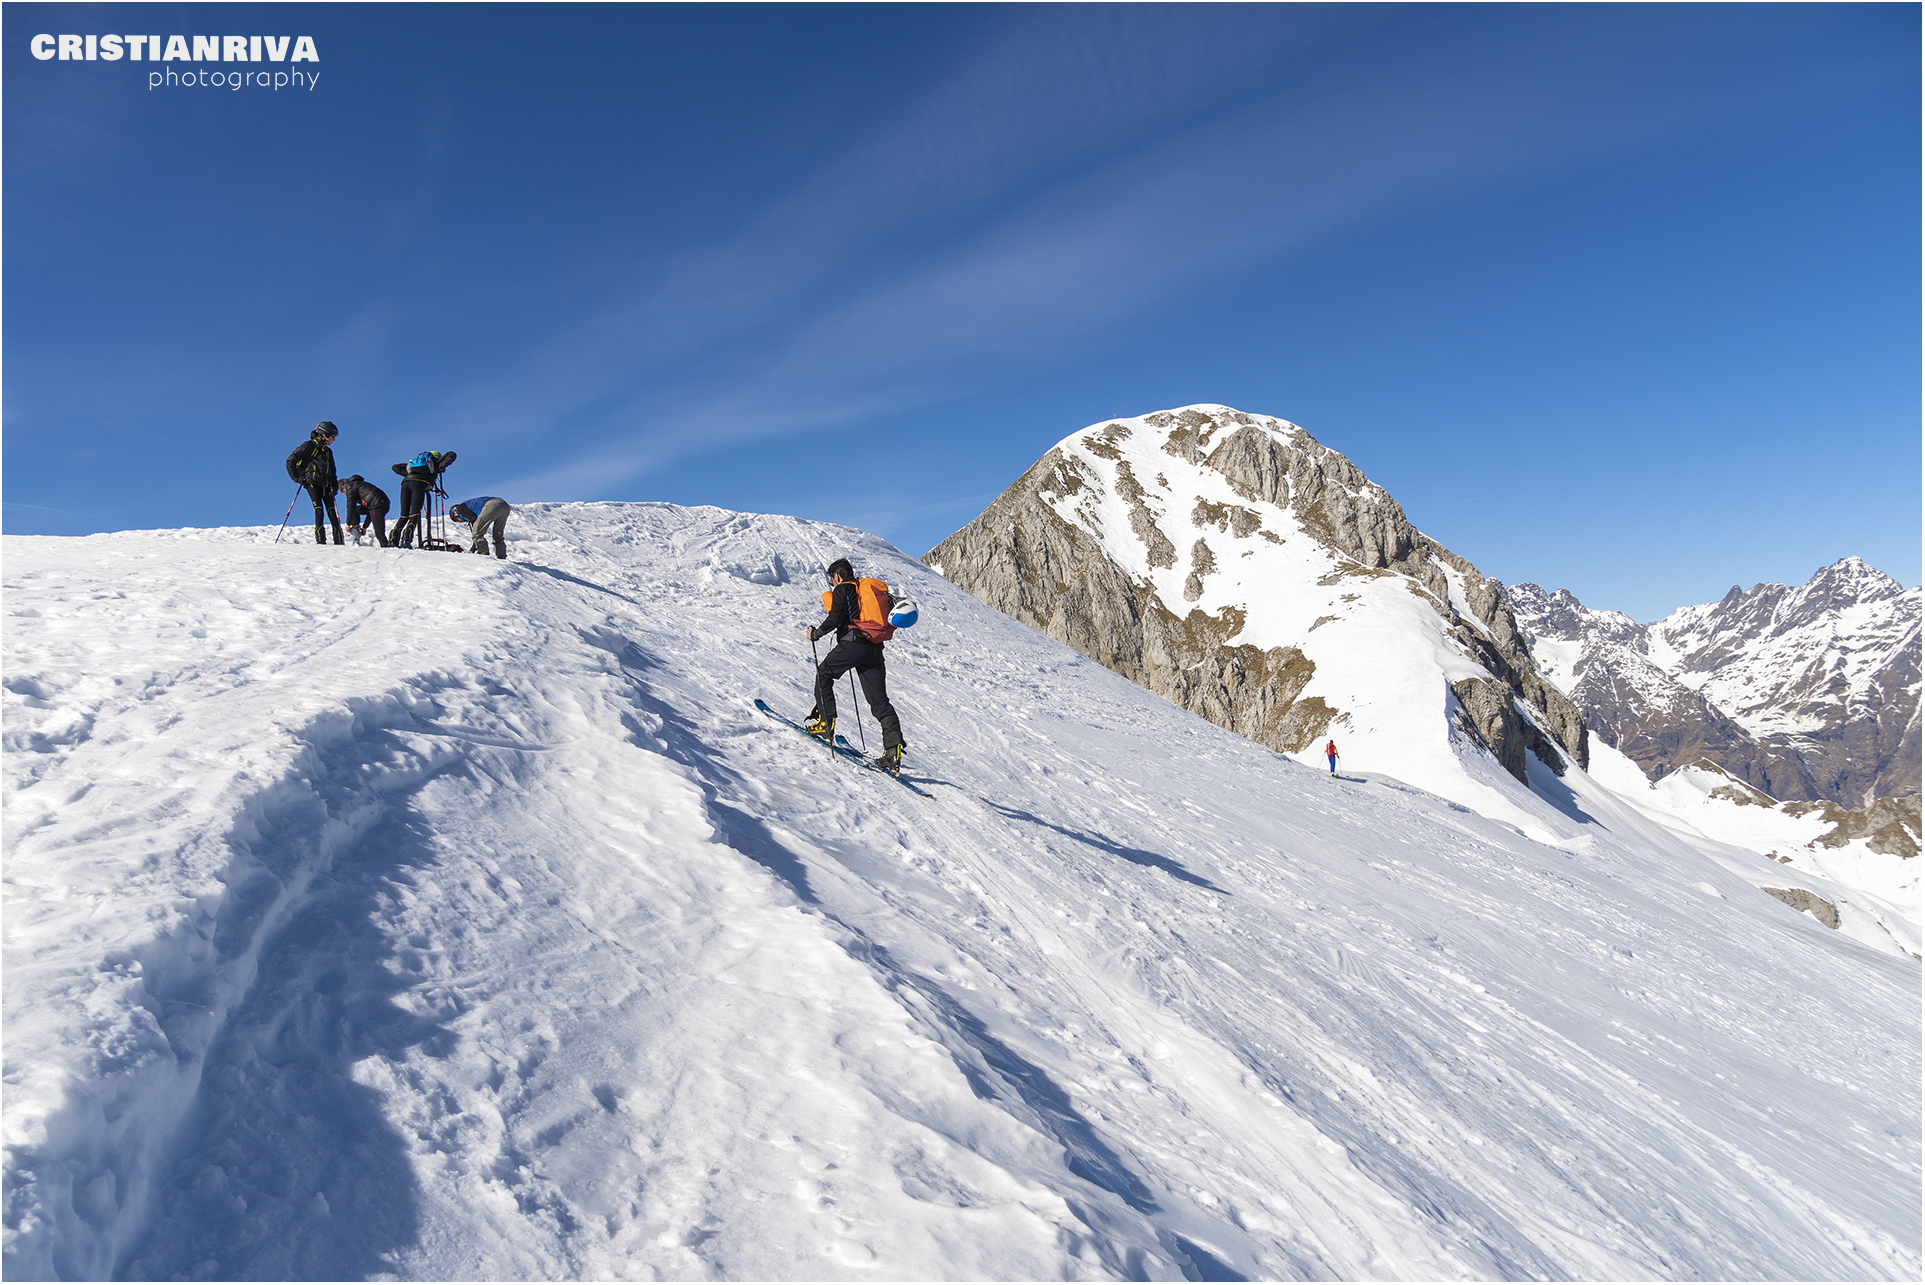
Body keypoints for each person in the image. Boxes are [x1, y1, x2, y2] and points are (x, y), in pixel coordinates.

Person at [804, 559, 907, 774]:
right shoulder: (863, 589)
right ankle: (892, 751)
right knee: (879, 701)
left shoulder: (844, 588)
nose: (832, 584)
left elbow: (834, 617)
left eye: (832, 580)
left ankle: (825, 722)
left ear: (838, 577)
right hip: (874, 648)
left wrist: (816, 634)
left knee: (823, 674)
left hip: (853, 644)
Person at [285, 421, 343, 545]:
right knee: (319, 510)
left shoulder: (328, 452)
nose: (334, 440)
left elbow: (332, 470)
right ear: (325, 434)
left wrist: (334, 485)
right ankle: (321, 541)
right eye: (333, 437)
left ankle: (339, 541)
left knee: (332, 512)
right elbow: (290, 461)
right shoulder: (309, 446)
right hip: (311, 483)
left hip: (326, 485)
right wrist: (298, 478)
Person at [389, 450, 457, 548]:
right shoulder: (435, 463)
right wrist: (439, 465)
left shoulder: (413, 466)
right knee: (415, 513)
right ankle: (406, 540)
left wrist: (410, 472)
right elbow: (452, 454)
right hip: (419, 484)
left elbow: (394, 467)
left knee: (404, 515)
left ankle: (393, 540)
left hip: (405, 483)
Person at [450, 495, 511, 560]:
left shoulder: (461, 508)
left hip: (492, 505)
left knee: (476, 533)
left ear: (455, 513)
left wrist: (475, 534)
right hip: (504, 506)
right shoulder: (469, 507)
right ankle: (501, 556)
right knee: (498, 534)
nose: (460, 522)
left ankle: (483, 554)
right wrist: (473, 548)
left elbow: (473, 520)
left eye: (457, 519)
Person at [338, 475, 392, 547]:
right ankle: (355, 531)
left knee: (379, 532)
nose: (344, 494)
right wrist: (364, 527)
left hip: (377, 505)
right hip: (382, 503)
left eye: (342, 491)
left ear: (343, 487)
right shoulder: (360, 486)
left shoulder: (351, 486)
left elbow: (350, 506)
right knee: (356, 510)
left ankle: (386, 548)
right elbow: (369, 510)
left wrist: (348, 524)